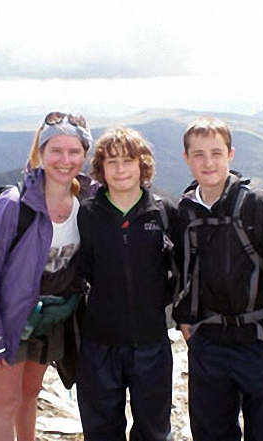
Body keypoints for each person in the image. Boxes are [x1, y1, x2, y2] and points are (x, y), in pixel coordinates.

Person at [0, 112, 97, 441]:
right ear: (40, 154)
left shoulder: (85, 202)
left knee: (30, 396)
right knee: (5, 403)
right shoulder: (12, 205)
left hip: (50, 321)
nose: (65, 160)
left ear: (84, 155)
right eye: (56, 151)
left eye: (74, 151)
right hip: (6, 321)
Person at [173, 117, 263, 441]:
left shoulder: (259, 206)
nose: (208, 162)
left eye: (216, 153)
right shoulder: (185, 212)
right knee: (211, 433)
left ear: (231, 155)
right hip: (208, 343)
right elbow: (181, 271)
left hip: (258, 342)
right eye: (199, 154)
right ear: (186, 158)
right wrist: (187, 325)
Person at [76, 128, 177, 441]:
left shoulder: (163, 212)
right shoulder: (87, 215)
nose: (120, 169)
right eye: (112, 162)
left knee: (154, 430)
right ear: (101, 169)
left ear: (142, 165)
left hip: (151, 343)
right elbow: (79, 272)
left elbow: (182, 271)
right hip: (98, 344)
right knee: (102, 431)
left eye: (128, 160)